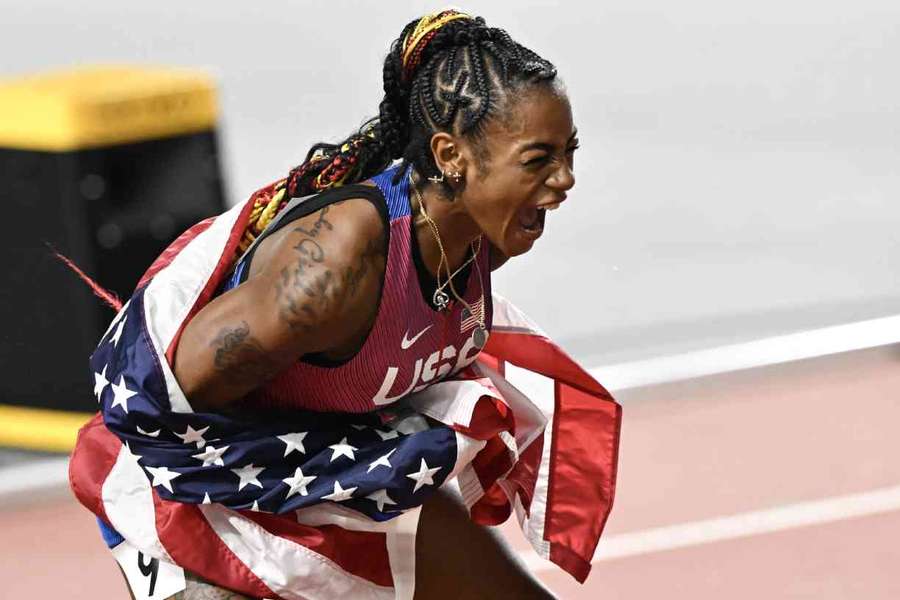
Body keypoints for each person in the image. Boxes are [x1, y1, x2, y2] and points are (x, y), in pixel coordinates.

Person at [82, 9, 586, 599]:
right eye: (539, 159)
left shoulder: (478, 240)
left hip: (331, 472)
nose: (566, 178)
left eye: (570, 152)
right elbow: (153, 404)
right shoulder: (328, 274)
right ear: (452, 156)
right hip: (198, 494)